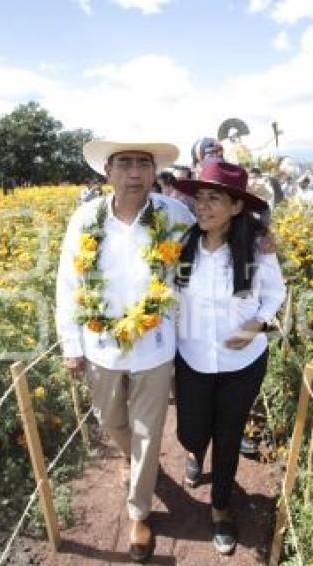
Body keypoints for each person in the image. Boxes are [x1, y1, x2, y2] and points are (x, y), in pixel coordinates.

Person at [56, 139, 194, 562]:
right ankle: (130, 458)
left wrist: (259, 238)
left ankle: (139, 512)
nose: (134, 172)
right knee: (111, 420)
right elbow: (68, 284)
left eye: (142, 164)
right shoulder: (85, 219)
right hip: (100, 346)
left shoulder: (175, 216)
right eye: (124, 164)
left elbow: (218, 235)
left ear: (154, 173)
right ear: (108, 172)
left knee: (149, 432)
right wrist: (71, 344)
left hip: (155, 345)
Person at [172, 159, 286, 555]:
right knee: (191, 429)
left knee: (228, 434)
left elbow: (275, 294)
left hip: (243, 364)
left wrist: (255, 325)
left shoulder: (256, 246)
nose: (203, 206)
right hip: (192, 360)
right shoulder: (183, 245)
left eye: (214, 199)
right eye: (200, 198)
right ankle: (193, 449)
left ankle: (221, 508)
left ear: (236, 206)